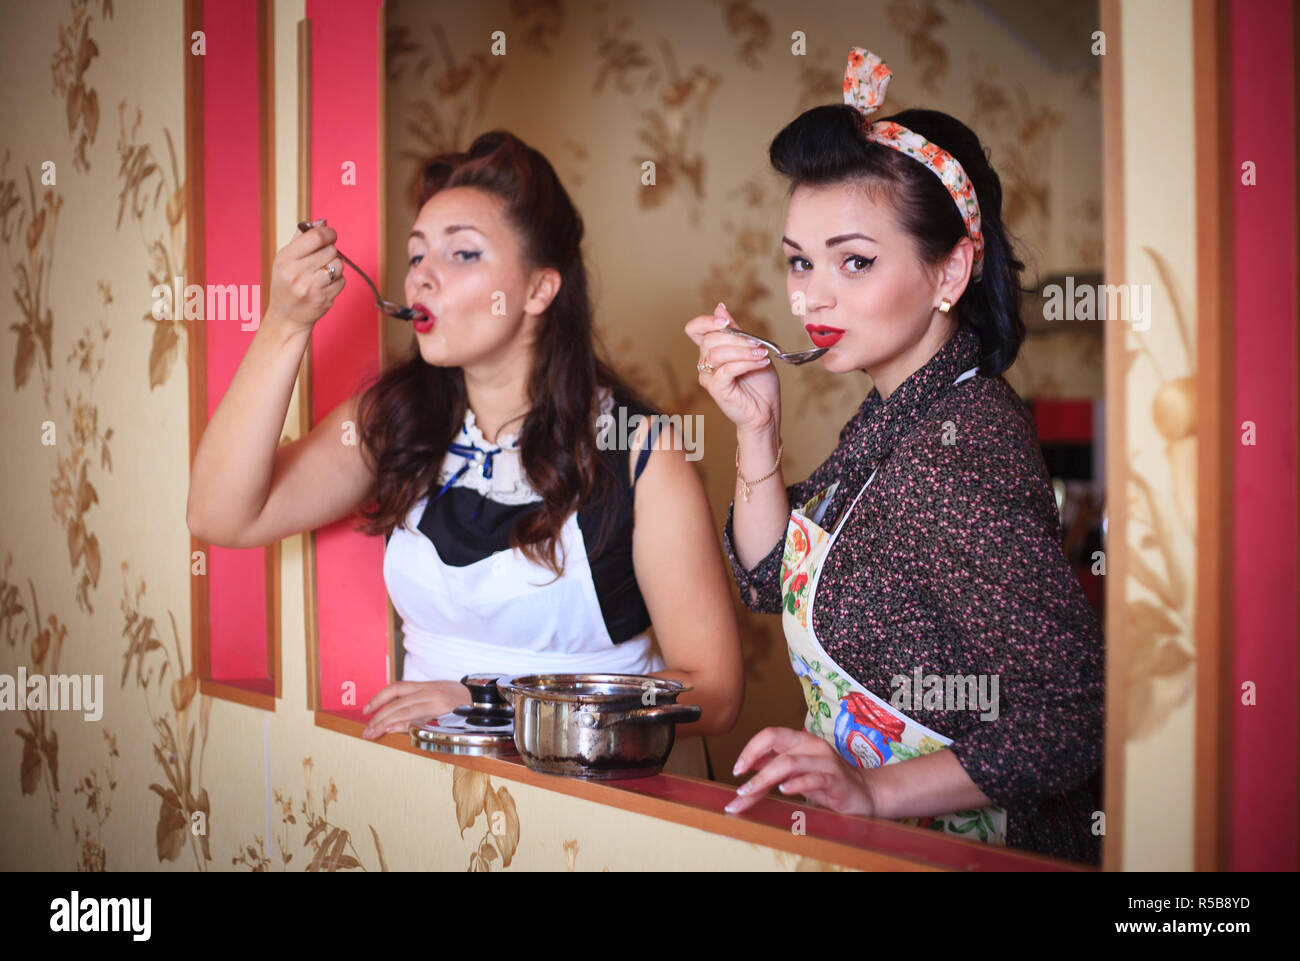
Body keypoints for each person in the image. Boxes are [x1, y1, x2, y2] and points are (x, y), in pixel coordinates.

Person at [188, 130, 743, 776]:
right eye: (417, 253)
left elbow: (717, 693)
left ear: (538, 291)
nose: (424, 273)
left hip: (608, 812)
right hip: (436, 804)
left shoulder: (641, 453)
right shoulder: (396, 421)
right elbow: (220, 513)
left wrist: (493, 702)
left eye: (463, 253)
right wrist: (286, 324)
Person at [685, 49, 1103, 862]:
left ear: (949, 269)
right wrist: (756, 430)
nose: (810, 297)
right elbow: (771, 578)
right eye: (800, 261)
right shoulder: (897, 415)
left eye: (855, 261)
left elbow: (1077, 711)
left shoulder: (962, 442)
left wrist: (875, 788)